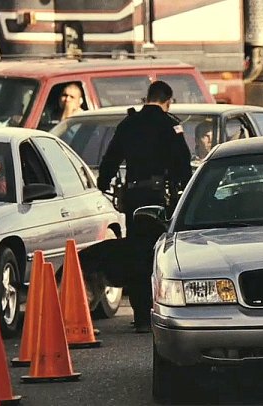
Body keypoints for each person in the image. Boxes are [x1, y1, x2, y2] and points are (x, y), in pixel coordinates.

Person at [96, 80, 193, 333]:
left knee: (136, 252)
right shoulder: (170, 125)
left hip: (134, 197)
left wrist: (102, 183)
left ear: (146, 98)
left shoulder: (128, 124)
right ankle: (159, 311)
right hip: (160, 198)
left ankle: (140, 316)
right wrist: (186, 189)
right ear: (167, 101)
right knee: (159, 254)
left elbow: (110, 158)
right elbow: (183, 162)